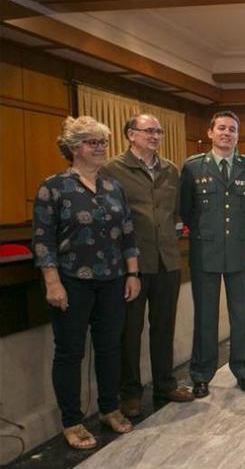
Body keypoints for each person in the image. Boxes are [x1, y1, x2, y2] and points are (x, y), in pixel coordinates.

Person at [33, 116, 140, 449]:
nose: (100, 148)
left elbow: (127, 233)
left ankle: (109, 408)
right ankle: (72, 421)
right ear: (74, 147)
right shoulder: (54, 186)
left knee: (110, 347)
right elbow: (42, 240)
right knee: (70, 352)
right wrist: (52, 282)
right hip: (71, 282)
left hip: (112, 280)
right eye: (93, 142)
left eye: (103, 142)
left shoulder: (112, 187)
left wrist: (132, 273)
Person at [102, 114, 193, 419]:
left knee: (164, 326)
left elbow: (177, 213)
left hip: (167, 260)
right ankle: (129, 393)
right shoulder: (112, 170)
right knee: (130, 331)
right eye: (148, 131)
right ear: (131, 134)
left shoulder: (170, 170)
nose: (155, 136)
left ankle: (165, 384)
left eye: (159, 131)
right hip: (132, 265)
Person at [179, 110, 245, 397]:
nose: (227, 133)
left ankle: (244, 371)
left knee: (240, 317)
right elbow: (186, 210)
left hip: (238, 250)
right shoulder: (192, 167)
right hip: (205, 253)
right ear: (210, 132)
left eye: (233, 129)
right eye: (222, 128)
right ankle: (201, 375)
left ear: (238, 135)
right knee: (205, 317)